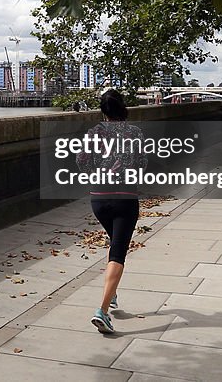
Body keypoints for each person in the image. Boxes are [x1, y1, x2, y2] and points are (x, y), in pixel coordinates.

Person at [76, 89, 147, 334]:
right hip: (125, 199)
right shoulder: (134, 133)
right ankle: (103, 311)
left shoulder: (93, 133)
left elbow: (82, 162)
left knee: (114, 243)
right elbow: (142, 163)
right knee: (118, 252)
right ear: (123, 107)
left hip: (99, 200)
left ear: (103, 110)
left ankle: (112, 292)